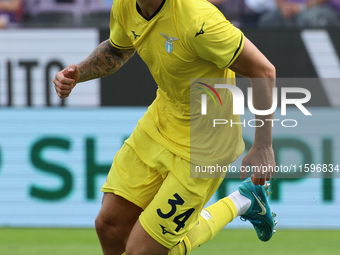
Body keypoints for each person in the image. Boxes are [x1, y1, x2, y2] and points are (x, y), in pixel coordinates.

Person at [53, 0, 277, 254]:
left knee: (142, 252)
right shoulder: (125, 5)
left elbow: (263, 71)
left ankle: (243, 200)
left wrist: (263, 145)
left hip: (206, 145)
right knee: (109, 226)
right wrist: (78, 73)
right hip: (161, 122)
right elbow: (117, 50)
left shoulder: (198, 20)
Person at [258, 0, 340, 28]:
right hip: (289, 9)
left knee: (305, 20)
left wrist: (301, 7)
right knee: (267, 20)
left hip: (318, 8)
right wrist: (283, 8)